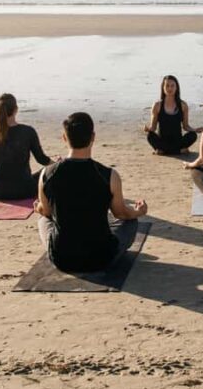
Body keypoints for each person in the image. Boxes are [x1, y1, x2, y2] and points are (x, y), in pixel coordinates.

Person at [36, 112, 147, 273]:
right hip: (102, 258)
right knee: (131, 222)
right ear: (93, 137)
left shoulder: (46, 174)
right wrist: (139, 211)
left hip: (62, 259)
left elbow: (46, 212)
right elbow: (121, 214)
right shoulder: (108, 175)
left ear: (64, 138)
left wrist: (38, 207)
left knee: (42, 220)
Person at [0, 93, 52, 200]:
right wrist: (56, 164)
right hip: (25, 190)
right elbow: (41, 159)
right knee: (47, 171)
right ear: (16, 109)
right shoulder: (28, 131)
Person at [144, 75, 202, 154]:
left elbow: (186, 126)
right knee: (150, 136)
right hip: (162, 141)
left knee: (193, 135)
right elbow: (153, 128)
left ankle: (164, 151)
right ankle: (178, 151)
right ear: (163, 88)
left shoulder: (183, 105)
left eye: (172, 86)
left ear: (176, 87)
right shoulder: (157, 105)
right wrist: (148, 129)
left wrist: (195, 130)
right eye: (167, 86)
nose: (170, 88)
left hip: (177, 141)